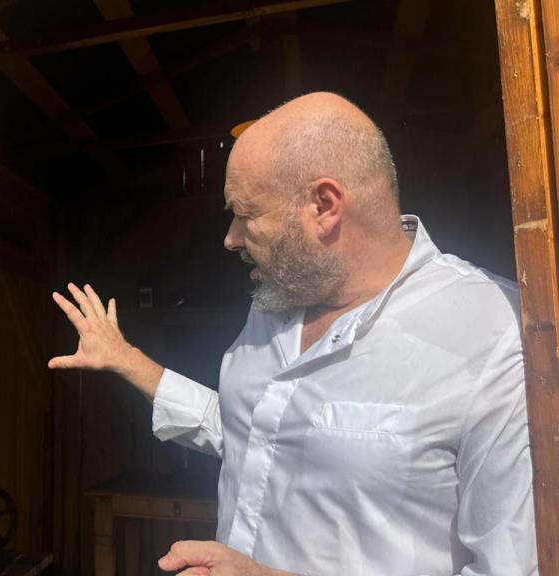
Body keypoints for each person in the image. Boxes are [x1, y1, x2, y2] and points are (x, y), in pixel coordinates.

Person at [48, 92, 538, 575]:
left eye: (246, 213)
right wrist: (125, 358)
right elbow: (254, 433)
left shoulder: (496, 333)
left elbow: (513, 566)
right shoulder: (278, 302)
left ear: (324, 206)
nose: (231, 238)